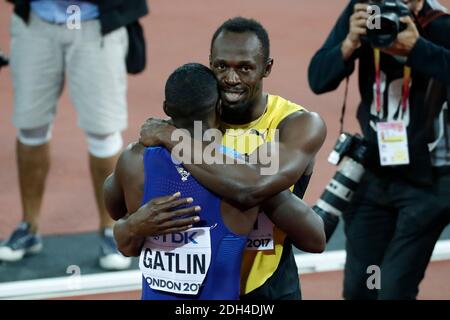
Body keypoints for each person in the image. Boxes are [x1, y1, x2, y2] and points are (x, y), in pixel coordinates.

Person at [138, 17, 327, 300]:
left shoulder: (296, 124)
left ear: (267, 68)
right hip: (202, 288)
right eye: (221, 66)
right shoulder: (193, 120)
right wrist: (130, 227)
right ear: (210, 62)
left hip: (269, 286)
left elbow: (251, 187)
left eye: (245, 68)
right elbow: (125, 195)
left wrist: (170, 136)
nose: (231, 78)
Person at [308, 0, 450, 299]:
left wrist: (418, 49)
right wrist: (349, 44)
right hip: (373, 176)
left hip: (428, 182)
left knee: (393, 290)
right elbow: (318, 79)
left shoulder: (439, 24)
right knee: (362, 286)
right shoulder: (364, 13)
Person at [0, 0, 148, 270]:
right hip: (36, 20)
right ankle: (28, 227)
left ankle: (110, 229)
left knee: (104, 132)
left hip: (96, 24)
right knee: (30, 127)